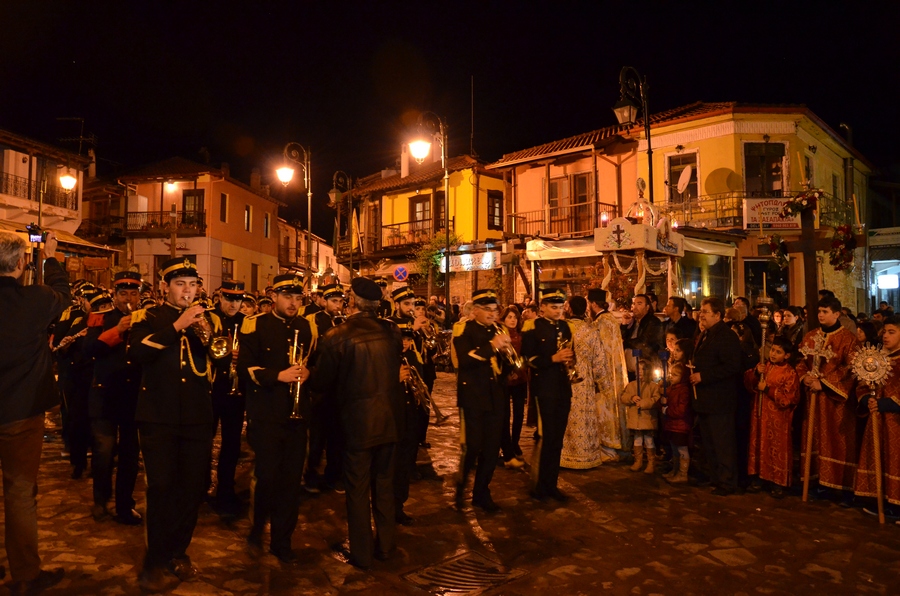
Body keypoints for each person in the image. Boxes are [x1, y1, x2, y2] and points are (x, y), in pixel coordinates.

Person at [128, 257, 229, 591]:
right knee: (161, 488)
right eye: (180, 285)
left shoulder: (209, 318)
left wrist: (210, 337)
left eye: (193, 285)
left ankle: (178, 551)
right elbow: (139, 352)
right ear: (165, 287)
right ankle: (155, 558)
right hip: (158, 415)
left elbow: (220, 357)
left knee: (191, 489)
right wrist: (178, 325)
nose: (188, 291)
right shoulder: (148, 317)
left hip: (198, 415)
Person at [310, 276, 404, 570]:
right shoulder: (392, 332)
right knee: (385, 486)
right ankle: (387, 546)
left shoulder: (338, 335)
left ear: (353, 302)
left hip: (357, 423)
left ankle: (362, 552)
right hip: (389, 419)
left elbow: (321, 380)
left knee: (358, 488)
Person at [0, 230, 67, 593]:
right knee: (20, 492)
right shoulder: (36, 299)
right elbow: (65, 294)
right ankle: (25, 573)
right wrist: (51, 257)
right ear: (22, 263)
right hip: (21, 412)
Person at [238, 274, 314, 563]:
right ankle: (257, 530)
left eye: (297, 298)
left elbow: (314, 362)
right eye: (287, 297)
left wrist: (309, 374)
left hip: (296, 415)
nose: (293, 303)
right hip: (267, 413)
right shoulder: (255, 324)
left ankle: (282, 541)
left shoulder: (307, 327)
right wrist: (277, 377)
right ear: (274, 298)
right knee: (267, 477)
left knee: (291, 482)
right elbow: (245, 368)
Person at [82, 271, 143, 525]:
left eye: (133, 293)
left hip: (133, 398)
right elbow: (89, 351)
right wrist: (116, 331)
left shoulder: (146, 319)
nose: (128, 298)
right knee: (104, 453)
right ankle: (100, 500)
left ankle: (124, 505)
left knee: (130, 455)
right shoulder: (100, 319)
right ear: (114, 295)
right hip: (105, 394)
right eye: (123, 293)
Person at [451, 289, 511, 512]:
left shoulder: (498, 330)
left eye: (495, 310)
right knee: (473, 446)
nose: (493, 314)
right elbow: (465, 360)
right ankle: (461, 486)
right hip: (473, 396)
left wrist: (509, 363)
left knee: (492, 448)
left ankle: (482, 493)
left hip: (495, 395)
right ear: (475, 310)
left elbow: (502, 365)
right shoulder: (464, 329)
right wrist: (493, 346)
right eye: (488, 309)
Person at [796, 295, 859, 503]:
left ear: (836, 314)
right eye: (819, 312)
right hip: (813, 399)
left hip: (836, 403)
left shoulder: (848, 339)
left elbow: (851, 370)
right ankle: (819, 482)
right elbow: (801, 361)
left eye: (825, 312)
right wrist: (805, 377)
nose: (820, 315)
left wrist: (822, 383)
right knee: (815, 439)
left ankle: (841, 486)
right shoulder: (811, 336)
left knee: (836, 441)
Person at [521, 288, 575, 503]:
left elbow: (572, 352)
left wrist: (571, 362)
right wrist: (552, 358)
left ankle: (551, 484)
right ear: (542, 307)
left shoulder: (565, 327)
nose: (558, 311)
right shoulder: (532, 327)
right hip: (544, 388)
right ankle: (538, 485)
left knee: (557, 439)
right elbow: (527, 359)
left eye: (561, 307)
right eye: (554, 307)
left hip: (563, 387)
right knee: (545, 437)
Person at [689, 297, 744, 496]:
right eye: (701, 311)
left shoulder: (726, 336)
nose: (701, 314)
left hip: (719, 400)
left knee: (722, 443)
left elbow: (731, 366)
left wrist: (703, 376)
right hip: (705, 400)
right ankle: (716, 478)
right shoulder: (706, 333)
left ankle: (727, 482)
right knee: (710, 442)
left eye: (705, 311)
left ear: (718, 315)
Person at [388, 285, 428, 524]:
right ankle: (387, 505)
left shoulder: (413, 354)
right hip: (393, 413)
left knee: (404, 463)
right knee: (391, 464)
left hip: (410, 413)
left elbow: (422, 382)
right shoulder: (387, 351)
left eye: (408, 338)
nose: (405, 342)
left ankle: (399, 505)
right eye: (406, 304)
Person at [854, 314, 900, 518]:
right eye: (885, 332)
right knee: (879, 457)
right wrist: (867, 399)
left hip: (896, 421)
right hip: (877, 418)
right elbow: (863, 384)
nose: (886, 337)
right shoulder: (877, 359)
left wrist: (886, 403)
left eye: (892, 332)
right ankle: (882, 499)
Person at [744, 336, 801, 497]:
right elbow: (748, 383)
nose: (773, 354)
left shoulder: (790, 372)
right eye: (773, 350)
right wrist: (756, 373)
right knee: (758, 443)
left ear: (787, 355)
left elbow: (789, 398)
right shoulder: (764, 366)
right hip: (760, 414)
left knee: (776, 448)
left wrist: (768, 389)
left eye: (778, 352)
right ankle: (758, 477)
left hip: (778, 418)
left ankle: (777, 482)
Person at [304, 283, 346, 494]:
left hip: (338, 385)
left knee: (337, 434)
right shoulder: (314, 321)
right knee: (317, 435)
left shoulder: (345, 322)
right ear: (324, 301)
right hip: (319, 383)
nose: (337, 305)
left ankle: (333, 475)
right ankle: (310, 474)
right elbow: (310, 351)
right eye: (333, 301)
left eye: (340, 301)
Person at [209, 279, 246, 516]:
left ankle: (226, 490)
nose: (233, 304)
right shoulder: (208, 318)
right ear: (220, 297)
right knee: (204, 440)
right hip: (211, 388)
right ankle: (201, 486)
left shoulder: (247, 323)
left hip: (235, 390)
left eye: (238, 299)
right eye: (229, 298)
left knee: (232, 443)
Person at [560, 296, 607, 470]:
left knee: (566, 416)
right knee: (584, 418)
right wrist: (604, 384)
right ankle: (585, 455)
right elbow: (599, 360)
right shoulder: (591, 330)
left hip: (565, 377)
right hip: (584, 379)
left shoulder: (563, 328)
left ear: (570, 309)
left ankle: (564, 455)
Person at [587, 288, 629, 461]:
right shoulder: (610, 319)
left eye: (589, 303)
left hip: (605, 375)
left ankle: (609, 448)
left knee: (606, 408)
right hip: (615, 372)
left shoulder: (602, 322)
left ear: (594, 304)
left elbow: (601, 351)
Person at [620, 355, 662, 473]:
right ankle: (638, 461)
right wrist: (632, 398)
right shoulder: (632, 385)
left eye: (642, 369)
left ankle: (651, 463)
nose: (639, 372)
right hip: (636, 418)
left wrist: (644, 403)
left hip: (647, 418)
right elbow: (623, 396)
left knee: (649, 440)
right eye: (637, 369)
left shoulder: (653, 386)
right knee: (637, 440)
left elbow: (656, 399)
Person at [498, 306, 527, 468]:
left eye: (514, 317)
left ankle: (515, 442)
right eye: (509, 317)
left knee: (518, 413)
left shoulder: (522, 336)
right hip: (505, 379)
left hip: (520, 378)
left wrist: (519, 369)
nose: (512, 320)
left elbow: (525, 355)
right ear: (504, 319)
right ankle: (506, 445)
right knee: (504, 414)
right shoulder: (500, 336)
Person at [661, 363, 692, 483]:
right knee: (675, 450)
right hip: (672, 425)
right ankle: (675, 471)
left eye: (675, 375)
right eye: (671, 374)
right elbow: (663, 401)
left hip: (680, 426)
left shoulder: (683, 391)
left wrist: (667, 410)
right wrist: (662, 401)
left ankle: (682, 474)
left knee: (682, 450)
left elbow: (681, 410)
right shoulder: (671, 389)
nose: (671, 377)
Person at [621, 294, 661, 381]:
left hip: (646, 370)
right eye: (633, 304)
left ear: (647, 307)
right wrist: (624, 325)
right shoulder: (633, 322)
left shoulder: (653, 322)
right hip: (630, 372)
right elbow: (621, 338)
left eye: (639, 304)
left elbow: (644, 341)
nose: (635, 307)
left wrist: (625, 342)